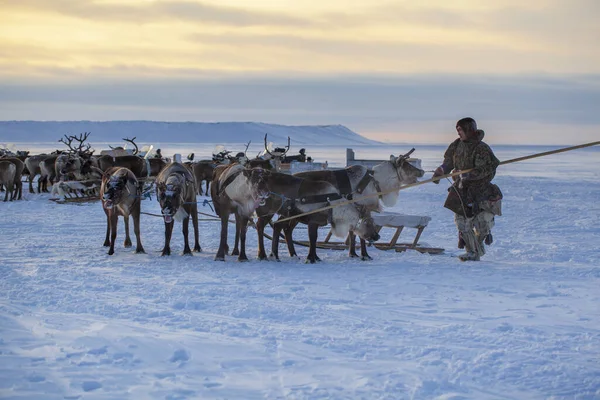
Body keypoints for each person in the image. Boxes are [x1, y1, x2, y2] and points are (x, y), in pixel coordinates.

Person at [432, 117, 503, 261]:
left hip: (480, 191)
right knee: (462, 223)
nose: (458, 132)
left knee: (482, 223)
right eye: (457, 129)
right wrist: (441, 170)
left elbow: (487, 169)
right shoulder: (456, 145)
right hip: (461, 189)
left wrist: (470, 174)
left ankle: (478, 246)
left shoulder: (481, 148)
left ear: (469, 129)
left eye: (461, 129)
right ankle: (472, 251)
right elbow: (448, 162)